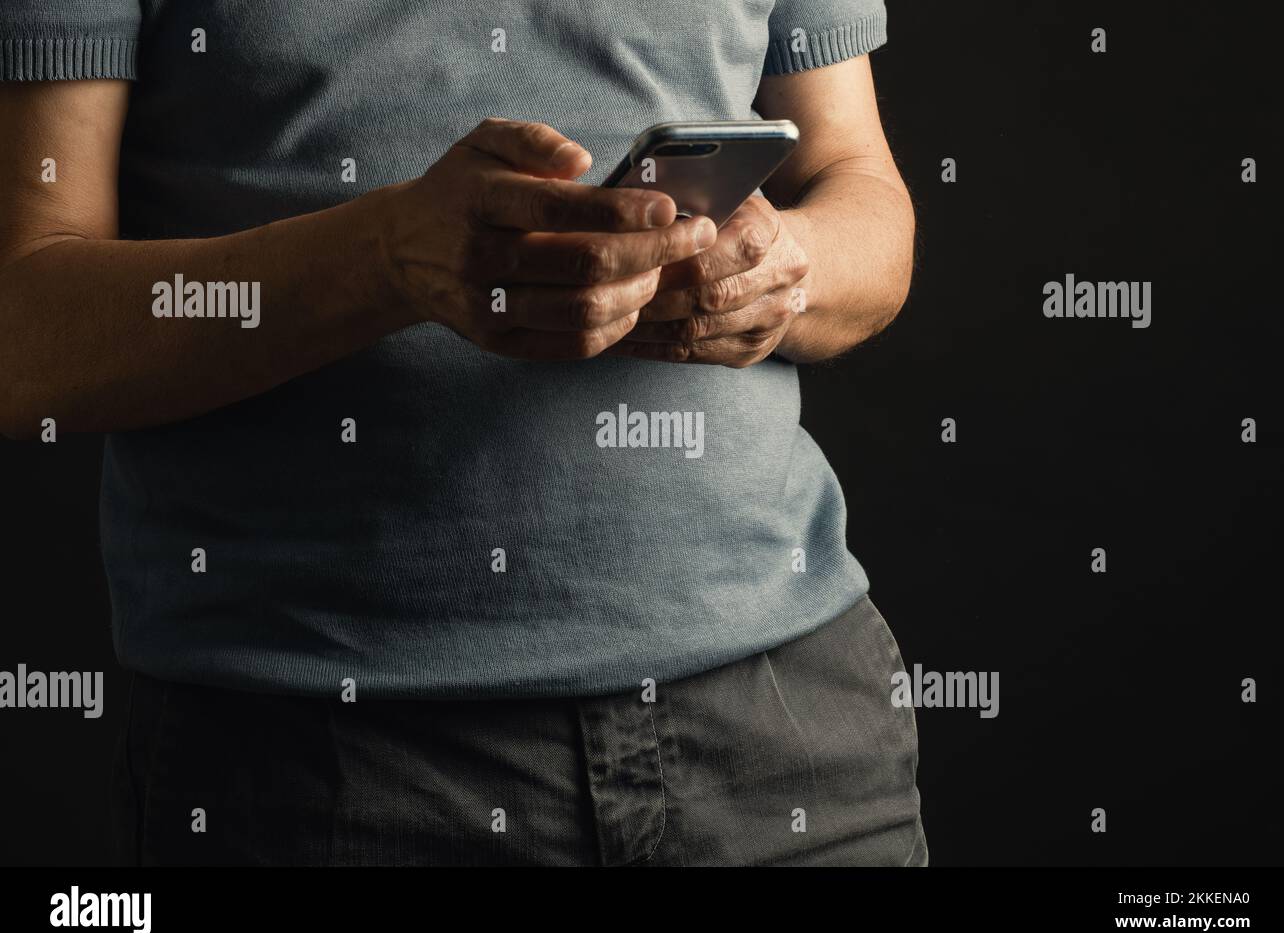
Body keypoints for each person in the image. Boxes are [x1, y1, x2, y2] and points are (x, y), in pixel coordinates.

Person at [0, 0, 925, 865]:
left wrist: (782, 272)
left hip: (786, 725)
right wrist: (385, 259)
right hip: (326, 761)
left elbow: (859, 188)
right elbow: (25, 338)